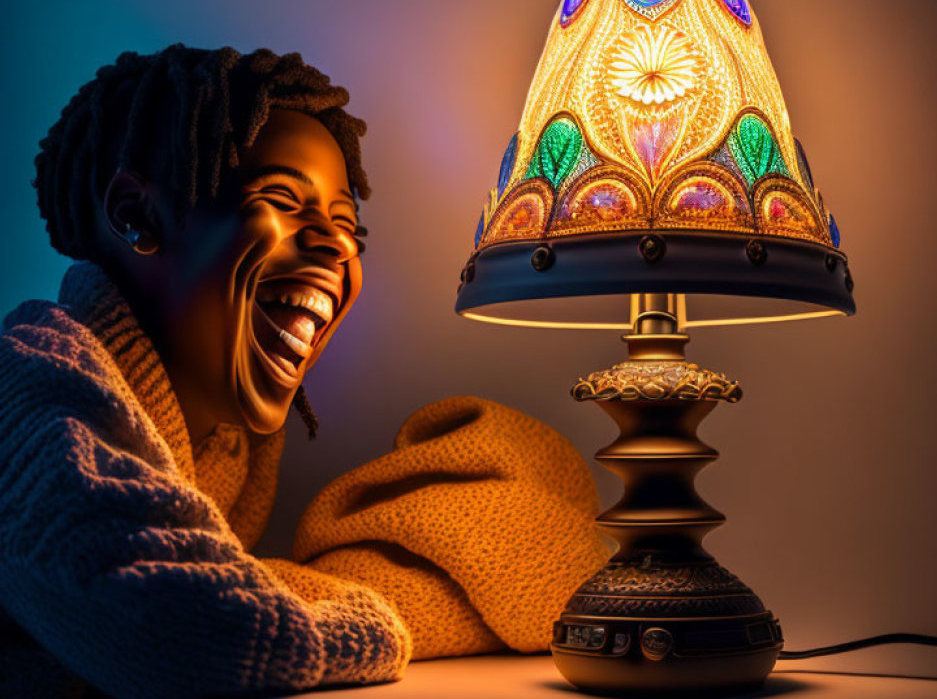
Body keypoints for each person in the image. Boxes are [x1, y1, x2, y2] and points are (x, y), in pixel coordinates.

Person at [0, 45, 608, 698]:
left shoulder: (224, 446)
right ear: (136, 215)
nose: (338, 245)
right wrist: (377, 613)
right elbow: (202, 632)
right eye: (284, 199)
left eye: (350, 228)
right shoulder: (29, 388)